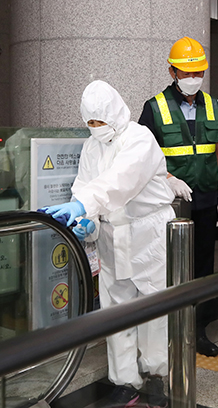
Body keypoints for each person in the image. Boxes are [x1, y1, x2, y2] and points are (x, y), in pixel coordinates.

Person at [42, 80, 175, 408]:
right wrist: (85, 218)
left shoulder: (139, 138)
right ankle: (124, 381)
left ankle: (157, 375)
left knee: (153, 306)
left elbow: (121, 181)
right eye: (91, 123)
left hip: (148, 234)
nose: (97, 128)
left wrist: (84, 204)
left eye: (101, 122)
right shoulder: (92, 146)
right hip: (113, 235)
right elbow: (85, 184)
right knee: (115, 310)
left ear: (115, 113)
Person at [139, 36, 218, 357]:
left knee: (203, 268)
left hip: (205, 200)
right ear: (172, 71)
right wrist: (166, 177)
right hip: (168, 202)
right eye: (186, 73)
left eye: (198, 73)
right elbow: (143, 155)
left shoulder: (213, 104)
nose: (193, 79)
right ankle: (165, 329)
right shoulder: (154, 107)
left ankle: (197, 329)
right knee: (167, 268)